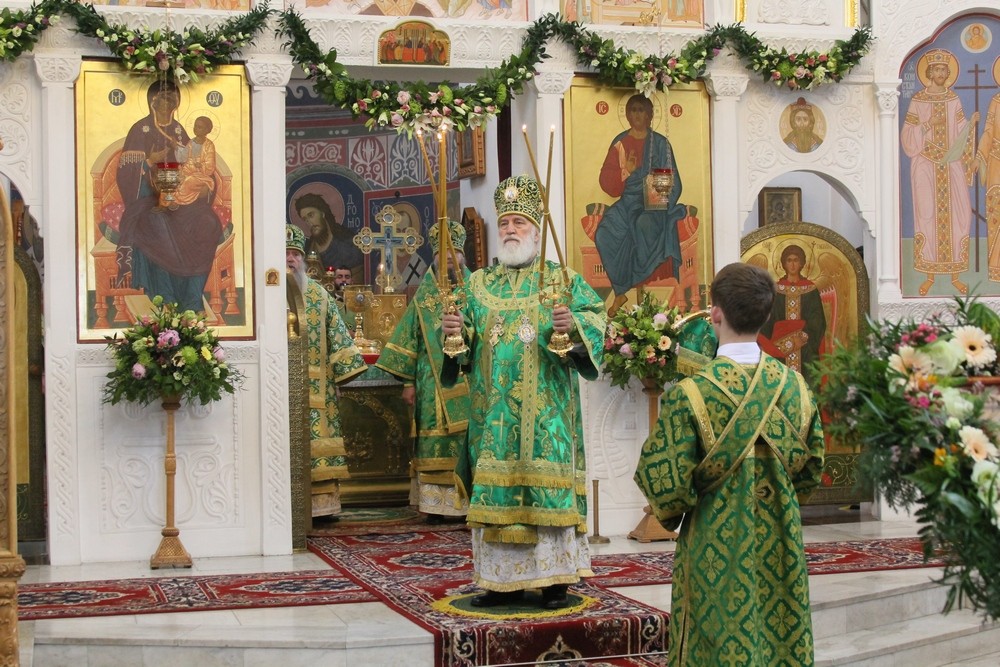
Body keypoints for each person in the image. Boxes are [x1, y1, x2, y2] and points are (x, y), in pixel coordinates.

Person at [634, 262, 825, 666]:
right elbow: (811, 470)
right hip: (781, 538)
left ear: (715, 313)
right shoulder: (797, 388)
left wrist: (678, 510)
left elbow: (666, 487)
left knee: (716, 638)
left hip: (713, 542)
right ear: (766, 315)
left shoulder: (692, 394)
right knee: (778, 636)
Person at [440, 175, 607, 610]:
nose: (510, 229)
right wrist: (455, 333)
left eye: (519, 222)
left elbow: (597, 320)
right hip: (493, 419)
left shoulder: (562, 280)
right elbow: (464, 344)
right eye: (505, 222)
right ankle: (500, 583)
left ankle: (556, 581)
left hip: (547, 419)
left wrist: (574, 326)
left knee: (546, 492)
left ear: (536, 229)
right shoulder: (478, 285)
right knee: (495, 495)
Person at [376, 220, 472, 524]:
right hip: (431, 385)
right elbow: (410, 338)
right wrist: (408, 382)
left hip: (472, 380)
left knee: (470, 441)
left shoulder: (478, 290)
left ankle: (469, 504)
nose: (449, 258)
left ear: (463, 255)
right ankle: (436, 505)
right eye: (442, 252)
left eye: (454, 252)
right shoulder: (424, 295)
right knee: (434, 440)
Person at [115, 80, 224, 313]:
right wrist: (149, 161)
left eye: (172, 99)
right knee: (159, 224)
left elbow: (194, 165)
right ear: (152, 101)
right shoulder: (139, 129)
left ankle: (192, 299)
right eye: (163, 98)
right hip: (147, 201)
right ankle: (167, 298)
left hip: (183, 197)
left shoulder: (179, 130)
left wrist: (204, 188)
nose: (167, 103)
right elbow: (125, 174)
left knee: (208, 222)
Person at [286, 224, 368, 521]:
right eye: (285, 253)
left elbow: (338, 337)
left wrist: (340, 377)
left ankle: (321, 508)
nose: (290, 259)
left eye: (295, 254)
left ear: (303, 260)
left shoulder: (320, 295)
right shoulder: (265, 296)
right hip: (278, 388)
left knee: (318, 446)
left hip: (318, 388)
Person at [595, 93, 690, 316]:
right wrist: (626, 171)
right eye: (633, 110)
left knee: (642, 225)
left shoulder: (661, 144)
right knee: (604, 233)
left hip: (654, 205)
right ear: (627, 115)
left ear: (650, 115)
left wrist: (657, 197)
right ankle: (620, 290)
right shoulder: (620, 143)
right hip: (628, 201)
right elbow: (607, 183)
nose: (637, 115)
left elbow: (673, 181)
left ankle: (640, 286)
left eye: (642, 110)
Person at [900, 49, 979, 296]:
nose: (941, 73)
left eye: (944, 69)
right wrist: (927, 125)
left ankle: (955, 276)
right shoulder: (918, 100)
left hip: (951, 164)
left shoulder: (953, 99)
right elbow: (907, 136)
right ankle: (929, 276)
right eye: (937, 69)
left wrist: (971, 125)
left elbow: (961, 132)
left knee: (959, 215)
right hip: (925, 165)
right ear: (929, 72)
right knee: (927, 215)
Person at [757, 244, 827, 384]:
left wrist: (802, 336)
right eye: (789, 260)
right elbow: (768, 319)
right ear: (784, 263)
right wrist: (777, 344)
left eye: (796, 260)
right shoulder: (776, 289)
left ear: (802, 263)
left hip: (805, 346)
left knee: (807, 381)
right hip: (779, 348)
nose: (793, 264)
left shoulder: (810, 289)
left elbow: (817, 319)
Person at [294, 193, 365, 283]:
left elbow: (357, 278)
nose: (309, 222)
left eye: (311, 215)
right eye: (305, 219)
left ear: (322, 213)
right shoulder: (308, 249)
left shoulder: (348, 244)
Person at [977, 84, 1000, 282]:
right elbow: (988, 131)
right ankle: (996, 267)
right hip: (996, 164)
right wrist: (979, 156)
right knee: (995, 215)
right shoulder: (996, 102)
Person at [174, 116, 217, 207]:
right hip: (186, 170)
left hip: (200, 175)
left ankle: (178, 202)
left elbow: (210, 165)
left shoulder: (209, 145)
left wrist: (200, 165)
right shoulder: (191, 142)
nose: (196, 129)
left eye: (199, 127)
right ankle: (173, 201)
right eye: (195, 126)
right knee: (174, 178)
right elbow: (183, 157)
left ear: (207, 130)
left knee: (188, 181)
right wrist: (176, 147)